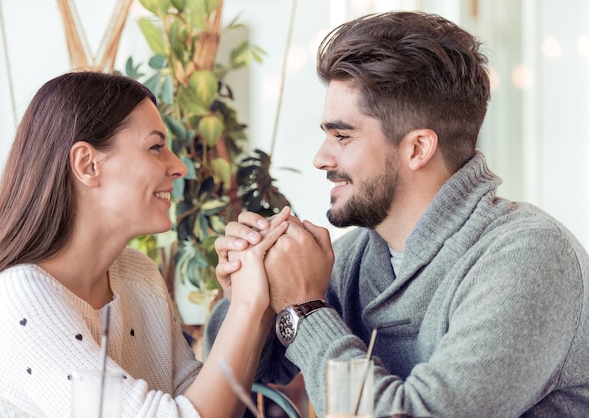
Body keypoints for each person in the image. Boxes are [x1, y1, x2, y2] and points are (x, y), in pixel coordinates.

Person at [205, 11, 589, 417]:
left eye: (342, 136)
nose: (320, 158)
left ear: (417, 149)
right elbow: (237, 385)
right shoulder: (355, 258)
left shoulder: (529, 257)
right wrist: (250, 302)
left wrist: (305, 309)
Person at [0, 71, 290, 417]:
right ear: (88, 164)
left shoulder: (137, 274)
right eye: (156, 147)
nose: (179, 167)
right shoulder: (17, 300)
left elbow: (201, 401)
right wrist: (249, 304)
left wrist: (250, 298)